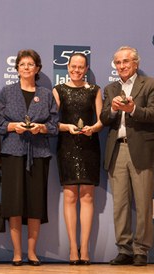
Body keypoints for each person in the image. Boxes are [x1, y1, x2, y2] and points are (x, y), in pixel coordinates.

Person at [100, 46, 154, 266]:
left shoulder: (151, 84)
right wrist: (115, 110)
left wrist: (133, 109)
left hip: (142, 151)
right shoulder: (110, 88)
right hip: (117, 150)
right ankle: (124, 249)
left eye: (126, 61)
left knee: (144, 204)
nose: (122, 66)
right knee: (120, 205)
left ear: (136, 63)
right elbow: (104, 117)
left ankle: (141, 250)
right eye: (118, 62)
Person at [0, 49, 58, 266]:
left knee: (35, 204)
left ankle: (32, 252)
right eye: (22, 64)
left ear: (37, 68)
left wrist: (40, 128)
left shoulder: (47, 94)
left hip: (39, 153)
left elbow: (54, 126)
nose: (26, 68)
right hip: (12, 152)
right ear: (17, 69)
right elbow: (0, 124)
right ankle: (16, 252)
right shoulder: (7, 92)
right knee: (14, 204)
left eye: (30, 64)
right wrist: (15, 126)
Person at [52, 53, 103, 265]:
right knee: (70, 196)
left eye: (81, 67)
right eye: (73, 66)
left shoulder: (95, 90)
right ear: (68, 67)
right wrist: (67, 127)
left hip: (90, 146)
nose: (77, 70)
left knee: (88, 197)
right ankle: (73, 248)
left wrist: (93, 129)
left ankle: (86, 250)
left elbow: (101, 121)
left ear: (86, 68)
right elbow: (52, 122)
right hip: (67, 146)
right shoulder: (59, 90)